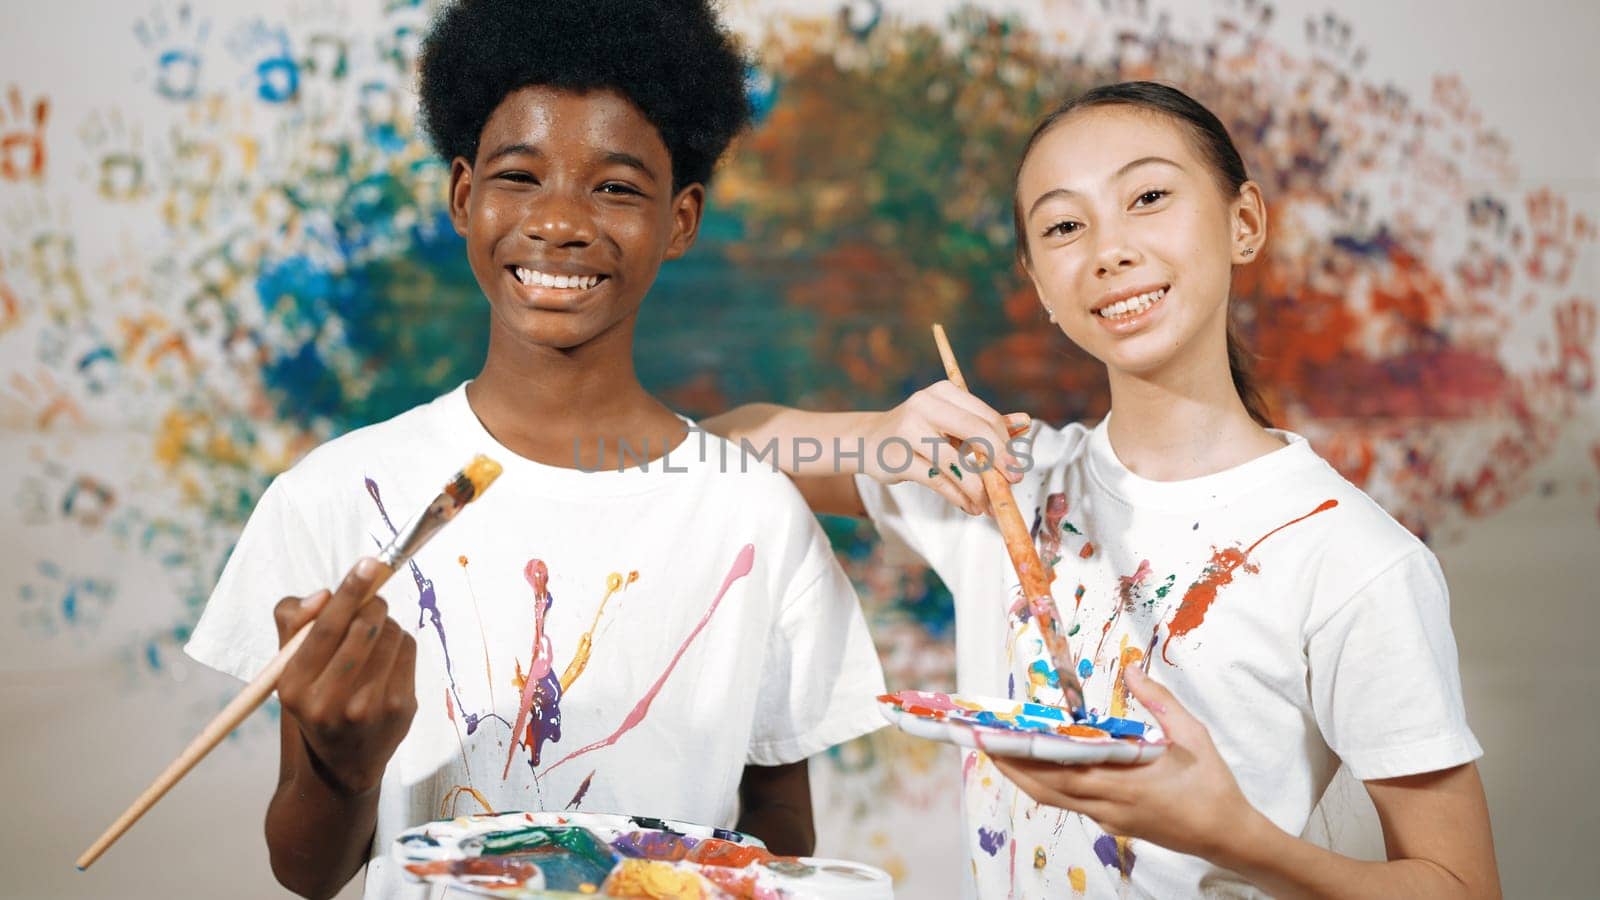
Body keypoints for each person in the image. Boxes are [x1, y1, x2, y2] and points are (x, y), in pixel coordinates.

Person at [706, 81, 1498, 898]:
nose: (1108, 249)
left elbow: (1462, 885)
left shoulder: (1352, 557)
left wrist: (1234, 837)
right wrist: (875, 437)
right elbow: (716, 448)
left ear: (1245, 222)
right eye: (1063, 226)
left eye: (1148, 197)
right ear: (1041, 287)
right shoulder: (1002, 481)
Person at [184, 2, 886, 897]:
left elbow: (780, 832)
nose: (560, 221)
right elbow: (307, 871)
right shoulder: (338, 497)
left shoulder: (754, 514)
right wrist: (344, 764)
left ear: (681, 221)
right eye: (520, 176)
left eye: (617, 187)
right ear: (463, 195)